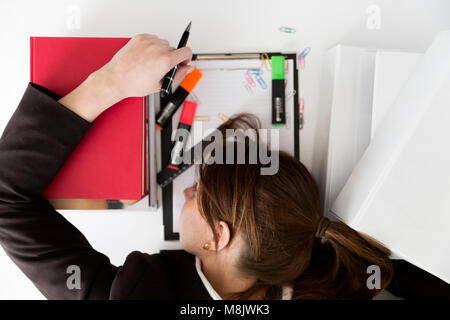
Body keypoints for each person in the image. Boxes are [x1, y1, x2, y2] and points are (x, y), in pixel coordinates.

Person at [0, 33, 394, 300]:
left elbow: (5, 199)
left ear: (219, 236)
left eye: (199, 192)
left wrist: (113, 81)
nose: (186, 190)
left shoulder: (140, 292)